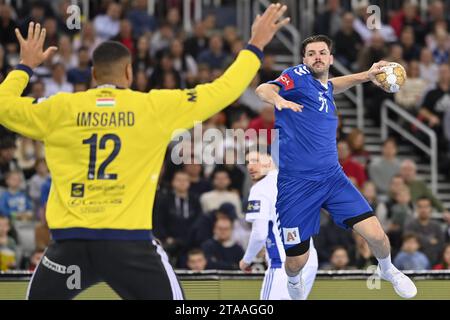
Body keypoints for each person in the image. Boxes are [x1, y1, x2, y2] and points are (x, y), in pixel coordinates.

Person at [0, 4, 290, 300]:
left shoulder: (58, 108)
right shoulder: (153, 108)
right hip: (129, 244)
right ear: (128, 71)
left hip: (69, 244)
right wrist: (255, 45)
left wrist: (24, 66)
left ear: (92, 74)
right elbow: (224, 90)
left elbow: (3, 106)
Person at [256, 34, 417, 299]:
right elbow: (264, 88)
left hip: (332, 179)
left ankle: (387, 269)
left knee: (377, 235)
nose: (317, 57)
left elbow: (332, 85)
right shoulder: (295, 76)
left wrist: (366, 75)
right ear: (304, 59)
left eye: (322, 52)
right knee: (297, 261)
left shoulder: (321, 87)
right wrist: (277, 99)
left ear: (330, 58)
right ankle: (294, 282)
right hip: (296, 185)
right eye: (311, 53)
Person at [239, 150, 318, 300]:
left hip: (283, 263)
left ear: (270, 159)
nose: (250, 166)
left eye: (256, 160)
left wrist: (246, 260)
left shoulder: (260, 188)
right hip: (309, 261)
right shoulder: (295, 182)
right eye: (248, 162)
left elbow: (259, 233)